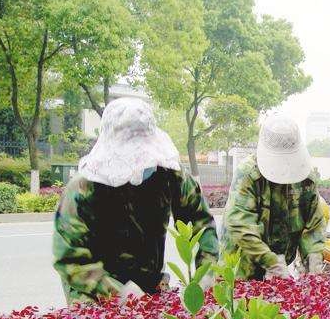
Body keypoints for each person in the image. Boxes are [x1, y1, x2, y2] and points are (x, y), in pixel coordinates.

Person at [53, 97, 218, 304]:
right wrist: (117, 292)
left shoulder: (170, 174)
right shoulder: (84, 187)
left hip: (149, 279)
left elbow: (202, 222)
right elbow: (69, 259)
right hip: (93, 288)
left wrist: (206, 272)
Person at [221, 114, 327, 279]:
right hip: (242, 265)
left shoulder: (306, 177)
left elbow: (314, 223)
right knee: (241, 301)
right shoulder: (248, 174)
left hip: (281, 260)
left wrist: (314, 258)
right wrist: (272, 262)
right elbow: (240, 224)